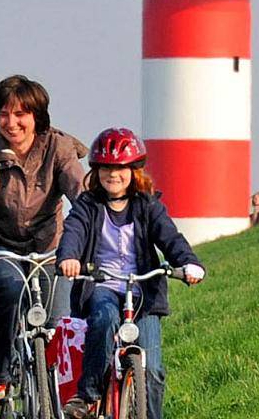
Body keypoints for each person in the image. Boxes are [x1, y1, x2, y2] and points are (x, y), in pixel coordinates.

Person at [0, 75, 87, 403]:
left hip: (49, 244)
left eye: (20, 114)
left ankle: (70, 399)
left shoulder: (59, 146)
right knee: (9, 287)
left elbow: (80, 193)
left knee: (61, 325)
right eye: (3, 115)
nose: (11, 123)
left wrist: (95, 234)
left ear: (37, 116)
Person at [56, 128, 205, 419]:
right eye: (106, 168)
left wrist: (188, 262)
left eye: (121, 168)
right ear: (96, 171)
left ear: (134, 170)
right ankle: (88, 396)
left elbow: (170, 238)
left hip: (143, 293)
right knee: (103, 318)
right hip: (102, 285)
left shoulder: (147, 205)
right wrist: (69, 257)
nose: (113, 175)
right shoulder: (88, 205)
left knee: (153, 369)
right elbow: (73, 231)